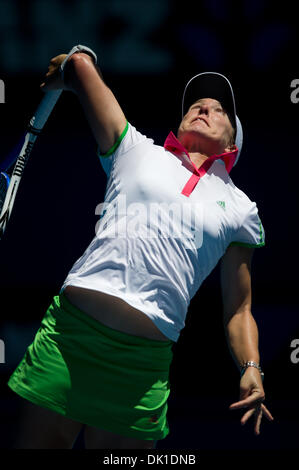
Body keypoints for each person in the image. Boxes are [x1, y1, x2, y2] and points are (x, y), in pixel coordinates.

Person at [7, 45, 274, 449]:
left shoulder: (241, 208)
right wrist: (70, 66)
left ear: (234, 142)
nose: (204, 108)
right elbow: (81, 67)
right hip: (68, 340)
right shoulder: (134, 148)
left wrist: (251, 366)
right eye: (196, 104)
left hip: (140, 370)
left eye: (218, 109)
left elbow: (238, 308)